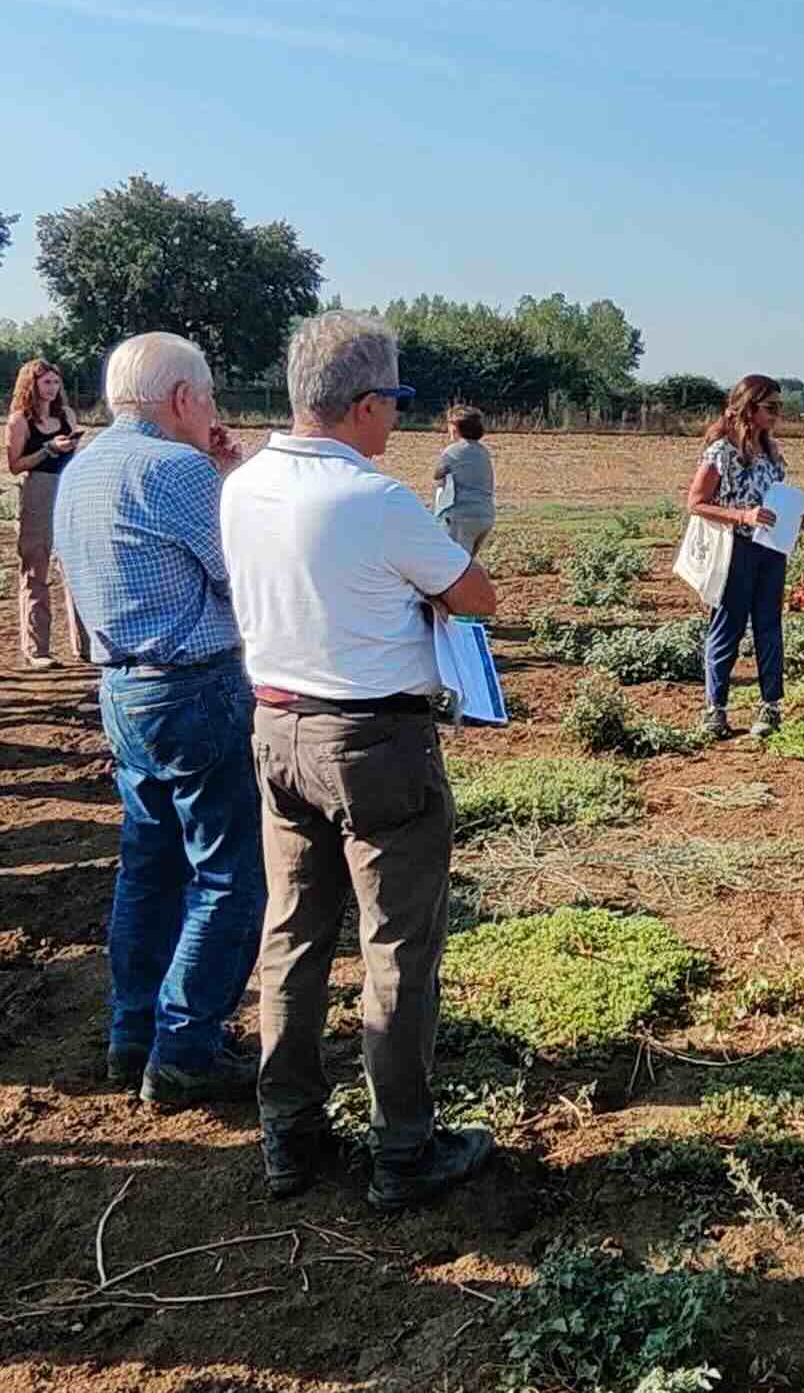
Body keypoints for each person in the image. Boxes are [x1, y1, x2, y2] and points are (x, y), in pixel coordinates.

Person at [221, 311, 500, 1209]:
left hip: (277, 732)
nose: (396, 424)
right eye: (392, 404)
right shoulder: (375, 501)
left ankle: (288, 1136)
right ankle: (404, 1150)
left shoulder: (243, 485)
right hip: (377, 745)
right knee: (396, 948)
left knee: (293, 939)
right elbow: (476, 594)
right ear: (364, 404)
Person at [49, 334, 265, 1106]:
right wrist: (230, 478)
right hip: (194, 689)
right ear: (180, 399)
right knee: (230, 873)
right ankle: (187, 1046)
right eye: (207, 396)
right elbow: (243, 571)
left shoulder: (84, 466)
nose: (213, 411)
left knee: (148, 866)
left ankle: (131, 1030)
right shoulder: (175, 471)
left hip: (123, 690)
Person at [683, 374, 804, 741]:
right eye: (771, 407)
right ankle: (715, 709)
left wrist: (797, 519)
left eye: (779, 408)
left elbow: (773, 499)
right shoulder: (721, 452)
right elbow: (696, 503)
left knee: (769, 628)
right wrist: (743, 516)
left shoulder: (773, 454)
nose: (777, 414)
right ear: (749, 408)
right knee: (728, 627)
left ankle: (770, 707)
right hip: (735, 550)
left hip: (771, 549)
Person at [7, 359, 91, 669]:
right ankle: (37, 649)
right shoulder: (19, 422)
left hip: (68, 489)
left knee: (76, 566)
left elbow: (75, 457)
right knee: (36, 568)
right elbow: (15, 465)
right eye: (46, 383)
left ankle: (85, 645)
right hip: (37, 492)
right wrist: (47, 451)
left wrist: (68, 448)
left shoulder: (67, 415)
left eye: (56, 383)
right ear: (31, 385)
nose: (52, 389)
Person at [432, 405, 496, 555]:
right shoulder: (483, 451)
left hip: (462, 515)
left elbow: (437, 473)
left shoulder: (453, 450)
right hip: (485, 515)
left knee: (454, 564)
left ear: (455, 428)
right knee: (467, 564)